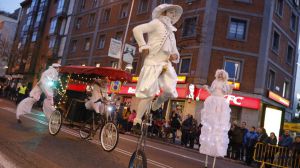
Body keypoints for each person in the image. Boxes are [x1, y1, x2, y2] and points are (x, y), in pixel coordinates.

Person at [131, 4, 183, 131]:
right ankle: (137, 121)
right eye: (171, 12)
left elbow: (175, 51)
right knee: (148, 94)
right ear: (164, 13)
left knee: (170, 90)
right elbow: (137, 29)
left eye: (174, 14)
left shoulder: (172, 32)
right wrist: (143, 45)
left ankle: (157, 104)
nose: (173, 15)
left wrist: (174, 56)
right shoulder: (156, 23)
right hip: (153, 62)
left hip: (165, 64)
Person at [199, 70, 233, 158]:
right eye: (219, 74)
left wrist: (231, 87)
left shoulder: (225, 83)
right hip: (213, 100)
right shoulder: (215, 82)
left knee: (219, 122)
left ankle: (217, 148)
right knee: (211, 120)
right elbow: (211, 91)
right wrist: (206, 88)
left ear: (225, 76)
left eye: (222, 74)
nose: (221, 75)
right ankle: (208, 146)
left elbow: (228, 93)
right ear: (217, 75)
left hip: (221, 102)